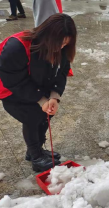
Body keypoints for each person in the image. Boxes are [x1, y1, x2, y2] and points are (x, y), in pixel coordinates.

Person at [0, 14, 76, 172]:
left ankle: (36, 150)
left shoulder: (62, 48)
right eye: (58, 43)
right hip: (11, 89)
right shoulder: (17, 47)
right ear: (46, 35)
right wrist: (41, 100)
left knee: (47, 114)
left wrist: (54, 96)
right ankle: (36, 156)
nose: (60, 48)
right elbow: (14, 81)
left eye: (65, 44)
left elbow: (61, 72)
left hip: (38, 84)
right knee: (32, 116)